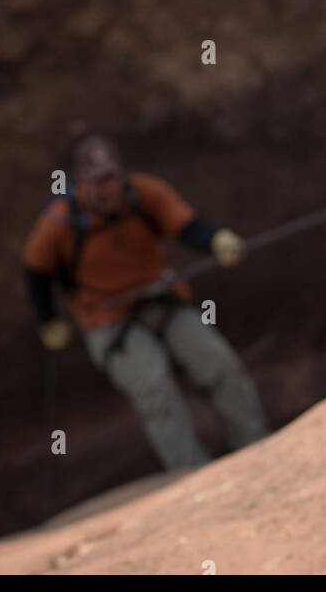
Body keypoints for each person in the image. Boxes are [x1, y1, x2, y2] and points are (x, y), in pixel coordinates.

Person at [21, 133, 269, 470]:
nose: (108, 188)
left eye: (112, 177)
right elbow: (35, 270)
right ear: (80, 181)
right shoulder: (59, 222)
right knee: (155, 388)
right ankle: (193, 477)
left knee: (218, 362)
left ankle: (258, 450)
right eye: (98, 181)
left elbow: (186, 226)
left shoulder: (143, 193)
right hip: (107, 321)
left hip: (160, 300)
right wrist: (47, 320)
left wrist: (216, 241)